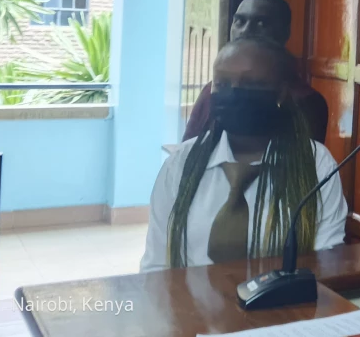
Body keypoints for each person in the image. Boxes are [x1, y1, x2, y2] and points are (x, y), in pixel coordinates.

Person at [141, 38, 347, 272]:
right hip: (189, 306)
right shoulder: (180, 165)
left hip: (282, 305)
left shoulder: (316, 165)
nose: (234, 93)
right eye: (222, 83)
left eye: (251, 83)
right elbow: (156, 266)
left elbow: (326, 264)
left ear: (280, 93)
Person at [183, 0, 329, 144]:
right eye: (239, 21)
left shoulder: (305, 100)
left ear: (285, 32)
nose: (246, 30)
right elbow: (188, 153)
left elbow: (300, 163)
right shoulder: (213, 91)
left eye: (261, 24)